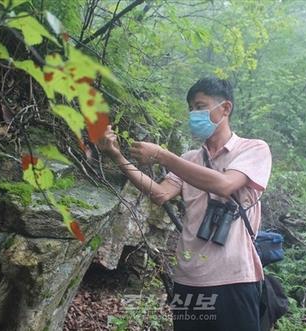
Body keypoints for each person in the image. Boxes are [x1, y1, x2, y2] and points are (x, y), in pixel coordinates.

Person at [98, 77, 272, 331]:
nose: (194, 114)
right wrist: (116, 156)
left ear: (225, 108)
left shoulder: (253, 149)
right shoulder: (190, 158)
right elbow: (159, 193)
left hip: (234, 279)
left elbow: (224, 184)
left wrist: (161, 155)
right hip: (188, 280)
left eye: (201, 106)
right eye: (191, 108)